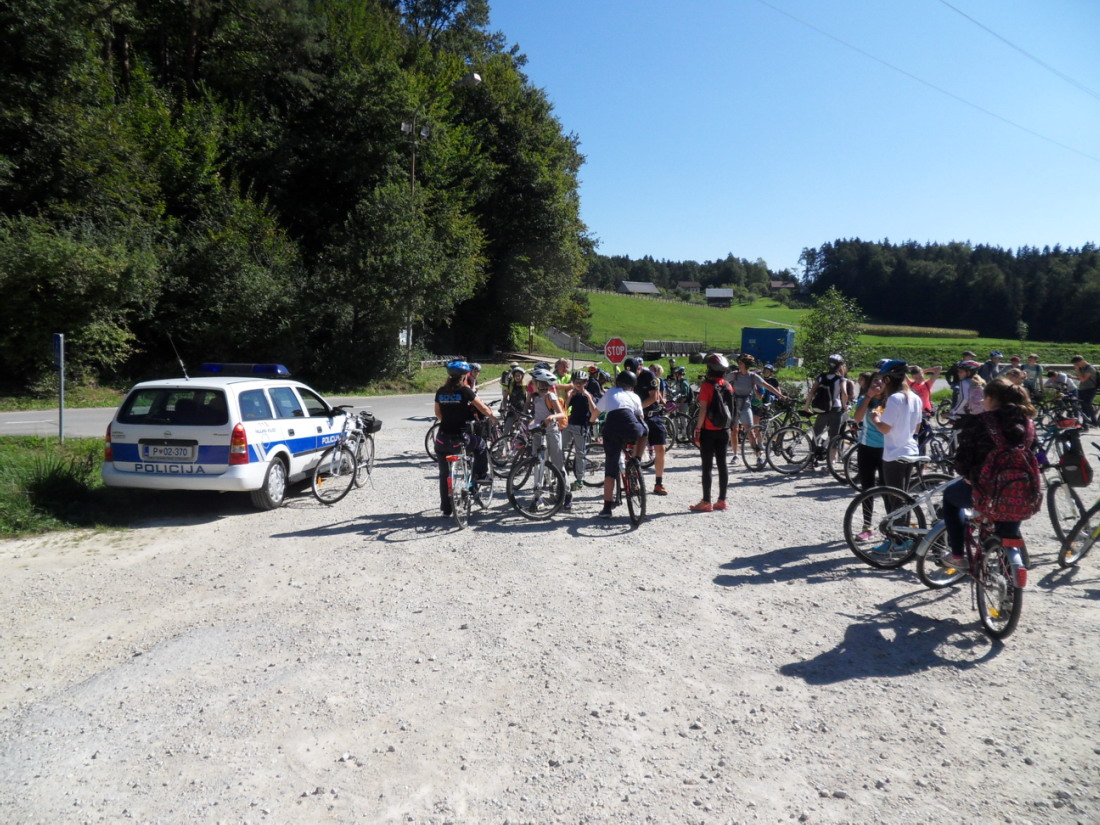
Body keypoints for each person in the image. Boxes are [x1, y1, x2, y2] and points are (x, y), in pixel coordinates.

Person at [939, 378, 1037, 568]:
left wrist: (967, 474)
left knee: (950, 498)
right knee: (1008, 535)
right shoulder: (1028, 423)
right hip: (1020, 492)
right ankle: (1010, 576)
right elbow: (1035, 455)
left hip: (985, 490)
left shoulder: (982, 421)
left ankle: (957, 555)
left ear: (990, 398)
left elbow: (963, 458)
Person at [434, 360, 497, 517]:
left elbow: (438, 414)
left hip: (441, 440)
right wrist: (492, 416)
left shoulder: (440, 391)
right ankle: (480, 475)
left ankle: (446, 508)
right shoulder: (465, 391)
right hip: (460, 439)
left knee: (444, 474)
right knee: (480, 444)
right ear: (464, 376)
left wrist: (449, 418)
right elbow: (482, 408)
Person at [595, 370, 649, 519]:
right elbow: (640, 417)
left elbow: (596, 411)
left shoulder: (610, 392)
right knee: (644, 431)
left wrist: (591, 421)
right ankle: (637, 460)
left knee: (610, 469)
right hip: (631, 427)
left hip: (612, 429)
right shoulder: (635, 396)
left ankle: (607, 508)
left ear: (617, 383)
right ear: (633, 385)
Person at [867, 359, 922, 494]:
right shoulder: (915, 397)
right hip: (910, 450)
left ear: (888, 379)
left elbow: (884, 429)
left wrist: (874, 418)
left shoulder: (895, 398)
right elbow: (917, 427)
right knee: (904, 496)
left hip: (894, 454)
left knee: (895, 499)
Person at [690, 353, 734, 512]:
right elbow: (732, 409)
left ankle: (706, 502)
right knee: (722, 465)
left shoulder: (707, 385)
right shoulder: (728, 385)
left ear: (710, 368)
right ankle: (722, 500)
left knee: (707, 467)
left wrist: (697, 429)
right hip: (724, 430)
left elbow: (703, 409)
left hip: (708, 430)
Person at [729, 353, 786, 466]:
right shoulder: (734, 375)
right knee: (734, 430)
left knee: (750, 431)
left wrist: (781, 395)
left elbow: (767, 386)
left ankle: (758, 456)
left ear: (745, 364)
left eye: (740, 363)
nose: (738, 364)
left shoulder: (752, 376)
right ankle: (735, 455)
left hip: (746, 405)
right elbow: (720, 381)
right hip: (734, 405)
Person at [529, 367, 571, 510]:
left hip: (552, 432)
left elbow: (562, 414)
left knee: (558, 464)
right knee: (538, 463)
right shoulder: (536, 397)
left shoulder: (550, 396)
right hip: (539, 432)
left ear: (540, 383)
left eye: (533, 382)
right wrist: (531, 424)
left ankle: (567, 494)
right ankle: (537, 497)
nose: (531, 384)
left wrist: (552, 417)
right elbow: (537, 417)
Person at [627, 357, 670, 495]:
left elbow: (654, 397)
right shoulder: (627, 377)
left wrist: (638, 408)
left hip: (652, 416)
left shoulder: (649, 376)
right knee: (635, 450)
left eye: (635, 371)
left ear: (640, 367)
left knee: (661, 449)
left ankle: (658, 483)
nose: (633, 374)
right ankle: (634, 481)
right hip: (637, 417)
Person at [852, 371, 886, 542]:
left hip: (887, 449)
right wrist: (868, 397)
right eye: (875, 380)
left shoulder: (891, 401)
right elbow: (857, 419)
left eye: (882, 380)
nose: (878, 383)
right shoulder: (864, 399)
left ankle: (893, 527)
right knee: (867, 489)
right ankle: (867, 527)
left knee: (888, 490)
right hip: (866, 448)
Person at [563, 370, 600, 491]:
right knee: (561, 448)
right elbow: (564, 408)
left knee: (580, 453)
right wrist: (569, 396)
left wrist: (588, 396)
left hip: (581, 427)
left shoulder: (589, 395)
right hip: (570, 424)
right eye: (576, 382)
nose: (579, 385)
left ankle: (580, 480)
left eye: (581, 382)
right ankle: (560, 474)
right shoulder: (574, 394)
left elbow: (594, 411)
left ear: (586, 383)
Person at [805, 354, 849, 453]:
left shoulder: (821, 376)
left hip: (823, 408)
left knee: (817, 433)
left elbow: (811, 392)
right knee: (834, 436)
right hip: (835, 408)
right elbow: (844, 393)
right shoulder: (841, 379)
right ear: (840, 365)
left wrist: (806, 407)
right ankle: (831, 459)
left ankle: (811, 457)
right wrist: (844, 406)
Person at [1071, 355, 1098, 427]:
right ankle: (1085, 423)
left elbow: (1083, 379)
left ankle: (1094, 421)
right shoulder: (1082, 368)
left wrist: (1078, 371)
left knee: (1087, 404)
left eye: (1077, 364)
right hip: (1082, 389)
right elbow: (1081, 379)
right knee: (1082, 406)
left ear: (1081, 361)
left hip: (1090, 389)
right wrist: (1074, 377)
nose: (1076, 365)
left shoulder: (1090, 368)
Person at [503, 366, 529, 433]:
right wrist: (505, 407)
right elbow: (505, 398)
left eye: (519, 375)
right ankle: (508, 438)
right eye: (515, 375)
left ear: (522, 376)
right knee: (506, 431)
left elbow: (528, 399)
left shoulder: (525, 386)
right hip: (512, 411)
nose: (517, 377)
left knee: (526, 431)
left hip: (522, 411)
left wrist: (525, 410)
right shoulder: (510, 385)